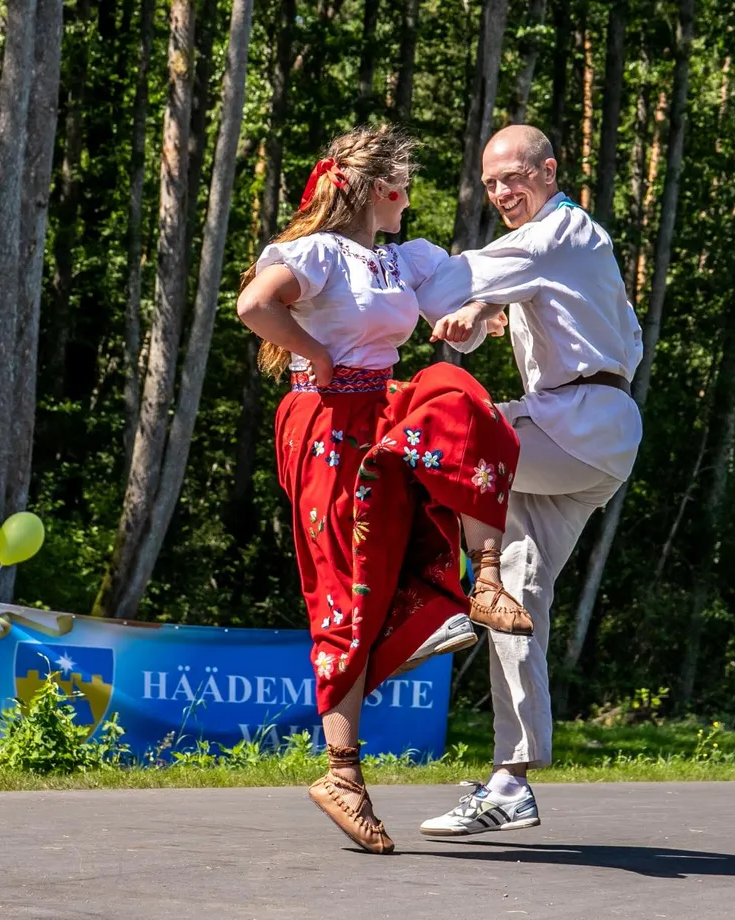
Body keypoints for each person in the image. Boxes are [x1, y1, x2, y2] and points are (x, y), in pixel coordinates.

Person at [235, 125, 527, 855]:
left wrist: (482, 317)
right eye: (404, 188)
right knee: (349, 589)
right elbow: (254, 306)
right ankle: (341, 773)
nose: (411, 202)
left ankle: (484, 579)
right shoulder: (321, 254)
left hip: (379, 415)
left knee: (460, 396)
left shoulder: (403, 262)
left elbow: (462, 314)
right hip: (327, 422)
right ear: (378, 191)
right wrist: (317, 354)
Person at [413, 125, 644, 837]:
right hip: (584, 444)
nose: (502, 194)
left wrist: (376, 275)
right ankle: (511, 782)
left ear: (548, 172)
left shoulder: (558, 234)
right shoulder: (557, 250)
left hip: (577, 422)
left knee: (435, 432)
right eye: (489, 184)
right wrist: (471, 319)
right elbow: (483, 307)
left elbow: (460, 276)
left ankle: (435, 598)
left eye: (514, 178)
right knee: (513, 597)